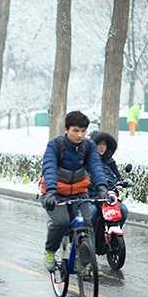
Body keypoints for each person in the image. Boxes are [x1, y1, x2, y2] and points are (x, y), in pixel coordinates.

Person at [39, 111, 109, 273]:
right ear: (66, 129)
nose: (80, 135)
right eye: (75, 130)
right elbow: (49, 168)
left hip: (79, 192)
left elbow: (96, 166)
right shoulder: (55, 145)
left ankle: (86, 263)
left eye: (83, 131)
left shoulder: (88, 146)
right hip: (54, 193)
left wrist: (102, 187)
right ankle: (50, 252)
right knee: (62, 222)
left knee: (86, 224)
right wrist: (50, 191)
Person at [89, 131, 129, 227]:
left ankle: (114, 236)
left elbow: (117, 177)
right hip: (91, 198)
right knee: (92, 213)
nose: (102, 147)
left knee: (123, 210)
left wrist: (122, 183)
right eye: (99, 144)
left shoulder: (110, 162)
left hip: (108, 198)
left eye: (104, 144)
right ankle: (89, 238)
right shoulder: (87, 160)